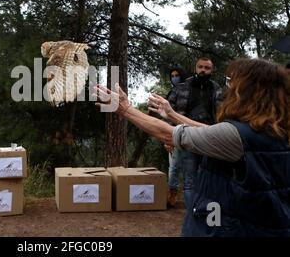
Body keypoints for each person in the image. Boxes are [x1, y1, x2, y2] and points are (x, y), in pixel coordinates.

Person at [94, 58, 290, 236]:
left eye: (233, 84)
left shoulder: (237, 136)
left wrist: (124, 109)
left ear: (245, 92)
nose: (228, 90)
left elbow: (169, 134)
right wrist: (171, 114)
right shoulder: (278, 130)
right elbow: (211, 131)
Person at [167, 57, 224, 208]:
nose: (203, 70)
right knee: (190, 179)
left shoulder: (216, 88)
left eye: (207, 67)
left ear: (212, 70)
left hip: (210, 138)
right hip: (188, 136)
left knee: (210, 177)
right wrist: (168, 137)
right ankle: (192, 213)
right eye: (200, 67)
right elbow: (168, 112)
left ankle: (206, 211)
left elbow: (222, 113)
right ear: (195, 68)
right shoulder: (181, 87)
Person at [165, 65, 188, 208]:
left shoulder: (191, 90)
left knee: (189, 167)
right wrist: (167, 138)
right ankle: (172, 193)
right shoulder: (172, 93)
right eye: (172, 76)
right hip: (174, 134)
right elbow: (167, 117)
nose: (174, 78)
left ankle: (189, 195)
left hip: (191, 133)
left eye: (177, 75)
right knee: (173, 167)